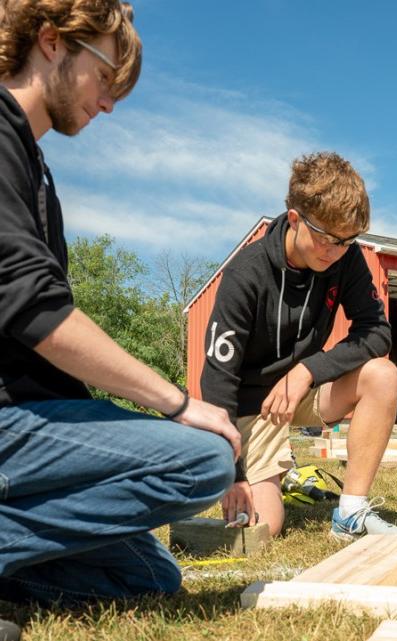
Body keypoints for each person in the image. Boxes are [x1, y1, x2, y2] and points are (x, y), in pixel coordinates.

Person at [0, 0, 239, 618]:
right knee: (204, 461)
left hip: (28, 415)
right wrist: (177, 403)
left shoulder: (34, 165)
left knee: (147, 578)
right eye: (106, 78)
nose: (108, 104)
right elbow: (35, 311)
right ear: (51, 42)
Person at [201, 151, 397, 540]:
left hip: (303, 391)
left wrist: (308, 370)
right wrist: (232, 474)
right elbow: (217, 382)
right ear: (296, 219)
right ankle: (264, 473)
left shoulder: (344, 259)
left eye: (347, 241)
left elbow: (376, 332)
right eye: (326, 239)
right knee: (264, 528)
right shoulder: (245, 275)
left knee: (382, 375)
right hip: (251, 407)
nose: (335, 251)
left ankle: (349, 514)